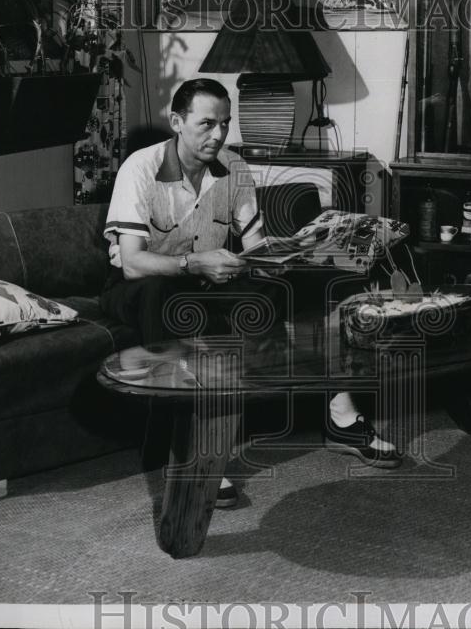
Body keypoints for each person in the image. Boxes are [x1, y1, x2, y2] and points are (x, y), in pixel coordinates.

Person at [100, 79, 401, 508]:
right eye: (207, 124)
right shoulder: (141, 168)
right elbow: (132, 262)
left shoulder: (233, 167)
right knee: (164, 295)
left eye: (225, 123)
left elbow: (256, 245)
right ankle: (189, 452)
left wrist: (297, 254)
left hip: (207, 280)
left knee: (309, 286)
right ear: (177, 122)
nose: (218, 135)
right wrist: (196, 263)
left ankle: (342, 417)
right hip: (141, 284)